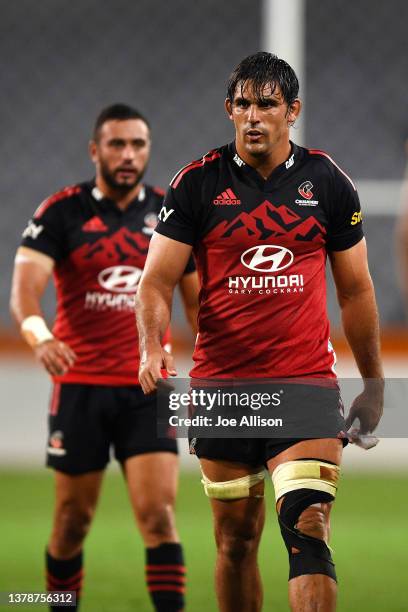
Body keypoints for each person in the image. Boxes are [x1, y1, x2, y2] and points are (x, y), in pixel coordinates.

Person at [135, 53, 384, 612]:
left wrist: (375, 384)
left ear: (292, 111)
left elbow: (357, 292)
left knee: (308, 525)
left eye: (267, 104)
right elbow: (154, 282)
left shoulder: (327, 183)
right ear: (229, 110)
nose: (253, 116)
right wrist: (152, 346)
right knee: (236, 542)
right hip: (222, 389)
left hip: (304, 386)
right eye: (243, 103)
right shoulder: (196, 184)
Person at [10, 104, 199, 612]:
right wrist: (39, 336)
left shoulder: (170, 214)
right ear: (95, 150)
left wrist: (210, 362)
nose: (128, 155)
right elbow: (24, 292)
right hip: (80, 388)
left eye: (138, 145)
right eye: (117, 144)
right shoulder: (61, 212)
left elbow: (197, 302)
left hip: (149, 388)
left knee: (158, 516)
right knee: (72, 522)